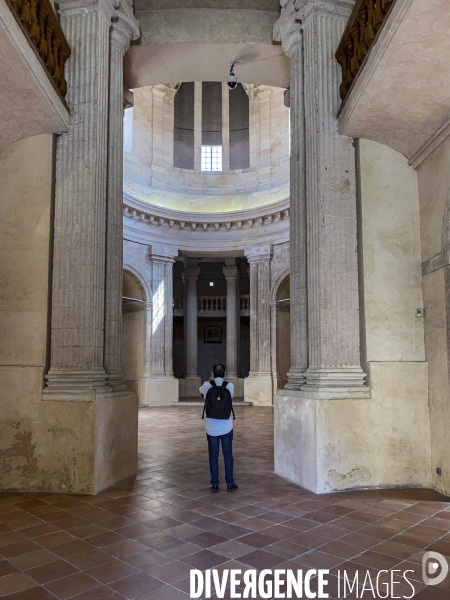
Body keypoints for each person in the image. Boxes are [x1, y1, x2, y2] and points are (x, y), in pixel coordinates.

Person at [199, 363, 238, 493]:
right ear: (225, 373)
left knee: (213, 455)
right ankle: (230, 483)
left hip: (211, 427)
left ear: (212, 373)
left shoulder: (206, 386)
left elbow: (200, 391)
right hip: (226, 426)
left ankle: (215, 484)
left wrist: (210, 379)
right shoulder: (230, 386)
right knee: (228, 454)